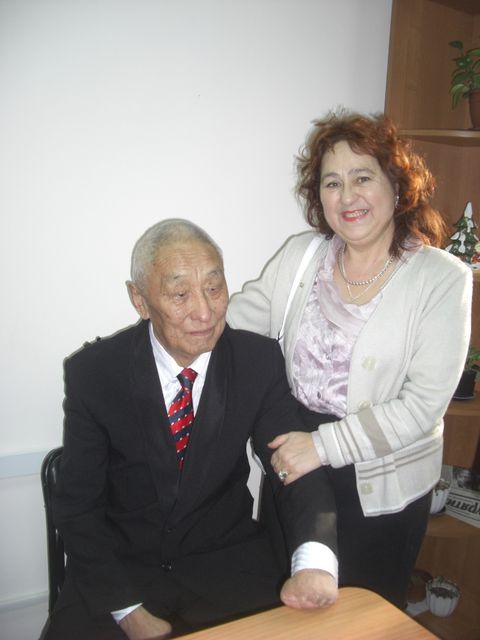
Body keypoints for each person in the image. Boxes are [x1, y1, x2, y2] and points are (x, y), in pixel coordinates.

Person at [46, 219, 339, 640]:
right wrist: (128, 613)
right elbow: (77, 507)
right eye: (180, 294)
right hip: (121, 572)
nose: (205, 312)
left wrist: (314, 562)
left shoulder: (256, 362)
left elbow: (295, 463)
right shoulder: (95, 373)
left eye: (214, 288)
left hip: (226, 568)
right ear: (140, 299)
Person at [227, 109, 473, 608]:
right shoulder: (300, 256)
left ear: (397, 187)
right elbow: (232, 327)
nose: (347, 196)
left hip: (381, 483)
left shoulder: (441, 278)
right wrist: (170, 324)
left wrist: (322, 446)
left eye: (363, 177)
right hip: (293, 464)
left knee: (362, 616)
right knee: (286, 612)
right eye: (332, 183)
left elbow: (422, 406)